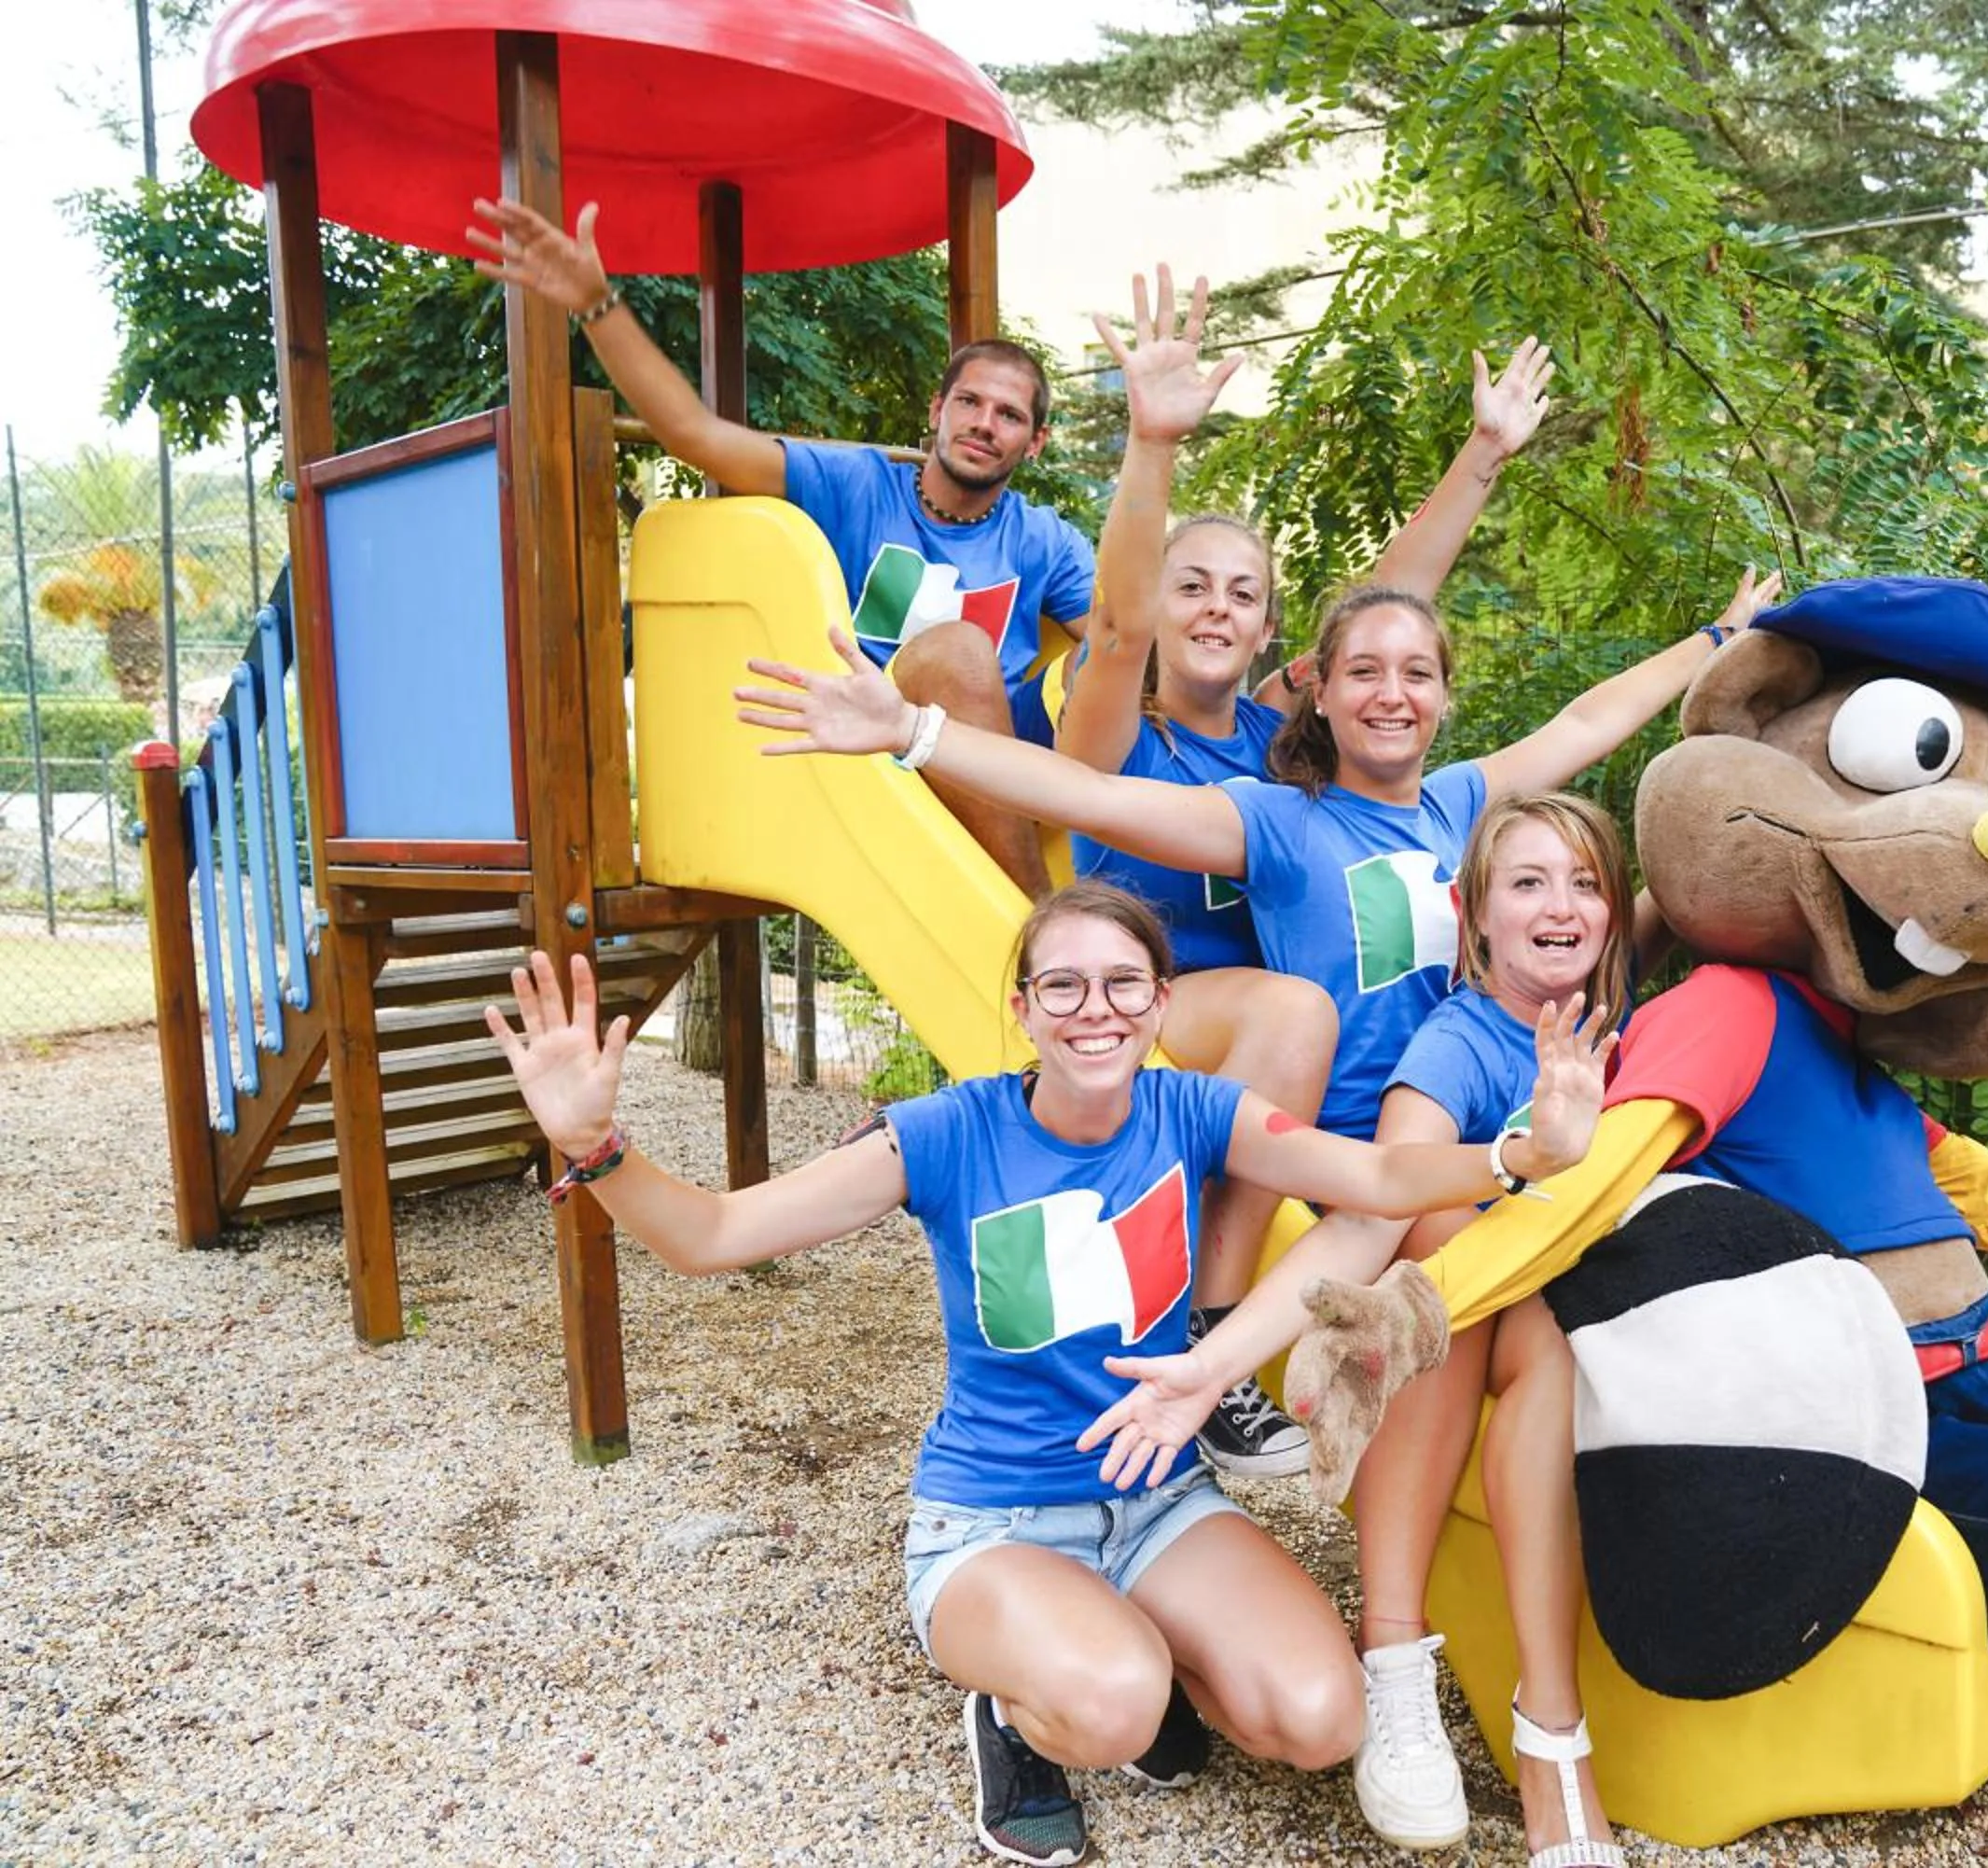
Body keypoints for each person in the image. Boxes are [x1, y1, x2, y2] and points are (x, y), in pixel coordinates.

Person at [479, 881, 1612, 1868]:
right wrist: (597, 1146)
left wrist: (1522, 1153)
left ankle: (1127, 1642)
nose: (1095, 1010)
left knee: (1322, 1721)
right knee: (1114, 1708)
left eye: (1124, 984)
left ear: (1163, 1005)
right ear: (1021, 1009)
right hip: (996, 1520)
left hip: (1161, 1500)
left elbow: (1371, 1174)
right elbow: (715, 1234)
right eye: (1061, 987)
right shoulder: (942, 1132)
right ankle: (1022, 1712)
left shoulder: (1192, 1108)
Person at [736, 567, 1782, 1148]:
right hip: (1354, 1138)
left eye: (1418, 673)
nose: (1391, 692)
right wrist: (913, 735)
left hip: (1473, 1114)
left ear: (1444, 699)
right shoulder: (1275, 819)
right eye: (1364, 670)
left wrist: (1715, 640)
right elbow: (1091, 794)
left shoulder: (1464, 802)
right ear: (1319, 692)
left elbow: (1586, 720)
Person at [1077, 791, 1641, 1863]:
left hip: (1621, 1329)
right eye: (1527, 883)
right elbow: (1378, 1200)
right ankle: (1481, 1699)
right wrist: (1214, 1361)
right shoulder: (1459, 1046)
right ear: (1475, 918)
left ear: (1616, 913)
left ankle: (1539, 1721)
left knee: (1528, 1318)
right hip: (1499, 1333)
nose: (1560, 905)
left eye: (1584, 884)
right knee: (1445, 1244)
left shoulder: (1642, 1025)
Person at [1057, 300, 1558, 1477]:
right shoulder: (1108, 722)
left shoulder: (1283, 740)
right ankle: (1211, 1330)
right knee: (1296, 1010)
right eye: (1193, 586)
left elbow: (1385, 610)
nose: (1214, 608)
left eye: (1240, 591)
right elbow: (1120, 624)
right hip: (1137, 996)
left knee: (1335, 1042)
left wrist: (1482, 455)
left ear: (1272, 629)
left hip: (1278, 1038)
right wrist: (1154, 441)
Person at [468, 195, 1092, 894]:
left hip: (1006, 765)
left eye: (1009, 415)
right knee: (956, 648)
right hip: (875, 758)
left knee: (1113, 657)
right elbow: (697, 437)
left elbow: (1125, 649)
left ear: (1034, 443)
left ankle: (1166, 886)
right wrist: (596, 305)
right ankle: (1041, 909)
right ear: (937, 411)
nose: (984, 424)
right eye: (970, 403)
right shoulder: (857, 486)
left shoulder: (1043, 538)